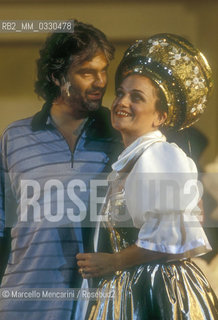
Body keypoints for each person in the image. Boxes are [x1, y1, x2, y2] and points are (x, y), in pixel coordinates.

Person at [76, 34, 218, 319]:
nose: (121, 101)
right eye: (120, 93)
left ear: (160, 117)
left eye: (136, 97)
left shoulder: (161, 156)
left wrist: (113, 261)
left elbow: (170, 239)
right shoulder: (131, 161)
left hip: (158, 290)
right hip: (127, 287)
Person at [0, 20, 122, 320]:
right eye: (86, 72)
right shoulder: (14, 137)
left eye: (103, 70)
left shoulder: (120, 136)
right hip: (21, 305)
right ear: (57, 77)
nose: (101, 81)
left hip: (95, 307)